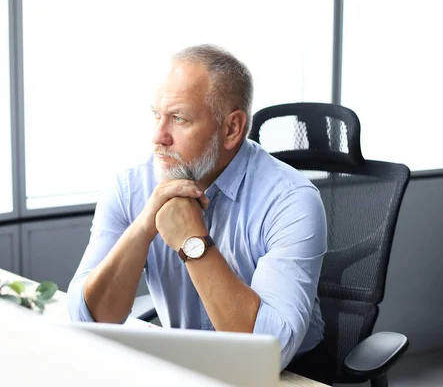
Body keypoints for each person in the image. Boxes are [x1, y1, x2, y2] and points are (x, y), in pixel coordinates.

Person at [67, 44, 331, 382]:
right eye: (156, 115)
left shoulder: (290, 199)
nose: (157, 137)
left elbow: (269, 352)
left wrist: (193, 241)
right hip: (185, 366)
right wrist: (144, 226)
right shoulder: (131, 185)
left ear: (232, 129)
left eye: (179, 118)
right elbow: (88, 320)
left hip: (289, 374)